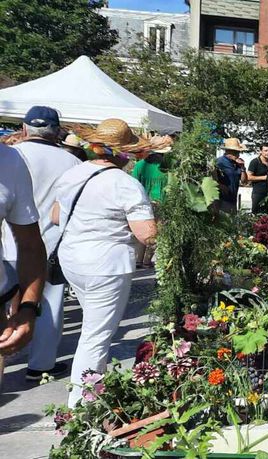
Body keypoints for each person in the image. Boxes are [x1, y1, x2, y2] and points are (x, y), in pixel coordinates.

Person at [53, 119, 156, 406]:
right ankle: (81, 404)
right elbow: (146, 234)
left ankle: (94, 388)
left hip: (73, 258)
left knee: (93, 327)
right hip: (106, 264)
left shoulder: (73, 174)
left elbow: (54, 216)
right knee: (96, 336)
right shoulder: (125, 184)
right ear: (124, 153)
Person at [1, 106, 81, 381]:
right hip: (46, 243)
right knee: (47, 305)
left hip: (7, 244)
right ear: (57, 131)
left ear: (24, 129)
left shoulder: (14, 155)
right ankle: (41, 364)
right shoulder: (71, 162)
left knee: (8, 305)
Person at [131, 142, 170, 269]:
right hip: (161, 203)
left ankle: (138, 260)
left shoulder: (139, 165)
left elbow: (133, 185)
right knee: (155, 233)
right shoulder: (166, 167)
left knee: (143, 231)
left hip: (143, 203)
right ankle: (147, 261)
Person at [215, 138, 248, 213]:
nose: (238, 154)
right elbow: (211, 179)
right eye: (236, 152)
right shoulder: (219, 163)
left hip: (233, 200)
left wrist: (243, 168)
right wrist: (220, 186)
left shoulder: (237, 164)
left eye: (238, 152)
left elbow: (244, 181)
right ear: (228, 151)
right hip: (222, 200)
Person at [247, 143, 268, 213]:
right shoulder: (255, 162)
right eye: (265, 151)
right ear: (260, 151)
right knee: (256, 214)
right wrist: (264, 177)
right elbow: (249, 177)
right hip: (258, 193)